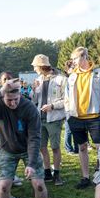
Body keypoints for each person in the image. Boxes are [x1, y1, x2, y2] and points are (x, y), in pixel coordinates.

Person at [64, 47, 100, 189]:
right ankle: (85, 177)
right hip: (76, 117)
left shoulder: (99, 73)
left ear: (84, 57)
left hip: (95, 117)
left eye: (75, 59)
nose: (73, 62)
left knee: (99, 147)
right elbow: (67, 97)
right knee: (82, 147)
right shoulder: (71, 76)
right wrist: (68, 115)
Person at [30, 54, 66, 185]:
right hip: (40, 119)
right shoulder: (38, 79)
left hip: (54, 118)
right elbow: (34, 100)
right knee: (42, 147)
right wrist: (33, 90)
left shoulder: (61, 79)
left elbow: (66, 100)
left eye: (35, 67)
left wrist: (52, 106)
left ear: (41, 66)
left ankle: (57, 173)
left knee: (55, 147)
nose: (34, 69)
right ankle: (47, 172)